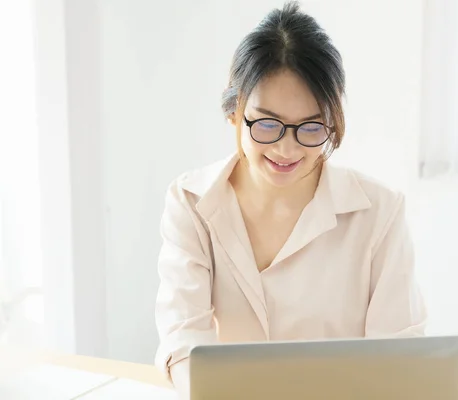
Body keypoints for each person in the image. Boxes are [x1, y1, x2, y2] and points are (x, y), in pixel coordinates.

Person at [154, 1, 427, 397]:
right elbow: (183, 343)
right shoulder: (192, 202)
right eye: (267, 124)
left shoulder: (379, 212)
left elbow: (400, 359)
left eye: (311, 127)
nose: (286, 149)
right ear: (235, 112)